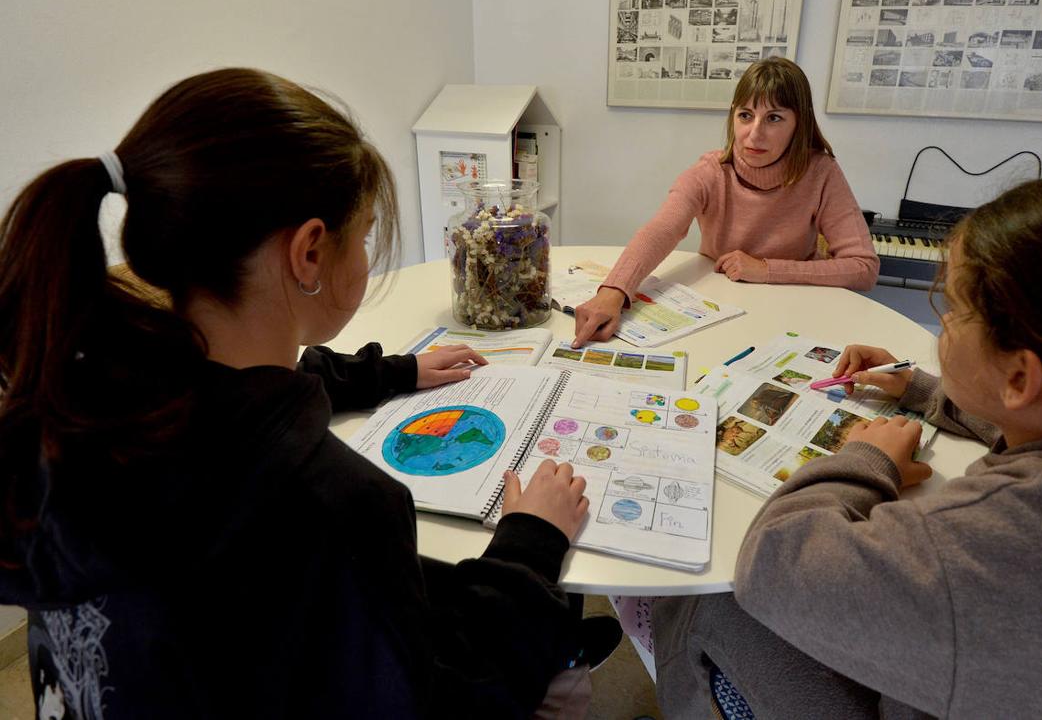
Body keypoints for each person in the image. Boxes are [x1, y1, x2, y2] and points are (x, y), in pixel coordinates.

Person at [0, 68, 596, 717]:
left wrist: (392, 373)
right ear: (310, 251)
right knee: (564, 686)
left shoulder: (77, 398)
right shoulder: (334, 504)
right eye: (365, 234)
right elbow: (442, 696)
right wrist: (531, 541)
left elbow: (255, 387)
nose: (368, 252)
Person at [653, 167, 1042, 717]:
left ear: (1020, 378)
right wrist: (921, 388)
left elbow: (773, 566)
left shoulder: (991, 540)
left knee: (710, 602)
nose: (943, 325)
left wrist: (865, 461)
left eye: (955, 308)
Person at [572, 57, 879, 347]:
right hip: (720, 311)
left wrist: (766, 270)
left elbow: (863, 268)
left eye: (773, 118)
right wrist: (613, 291)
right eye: (745, 115)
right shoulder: (712, 171)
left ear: (800, 124)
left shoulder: (821, 172)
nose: (753, 134)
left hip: (794, 314)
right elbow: (662, 229)